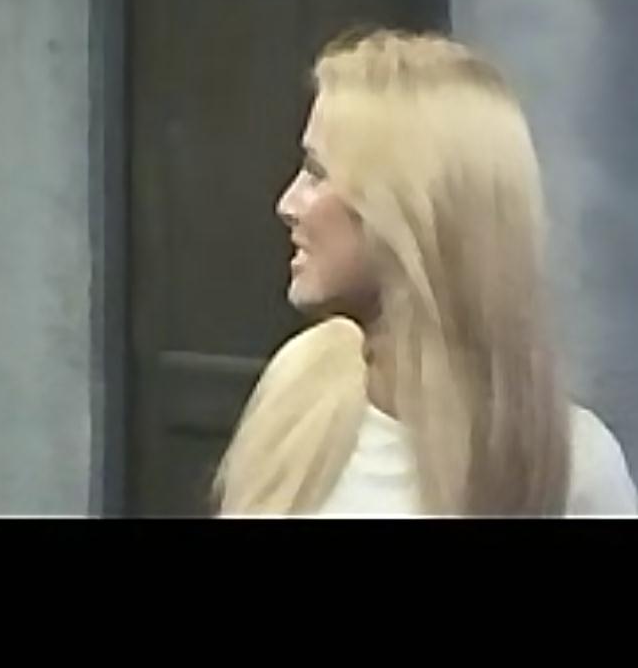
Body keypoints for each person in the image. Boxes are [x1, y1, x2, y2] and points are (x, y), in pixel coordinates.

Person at [213, 29, 637, 516]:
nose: (287, 205)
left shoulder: (572, 468)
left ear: (408, 208)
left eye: (317, 172)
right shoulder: (296, 400)